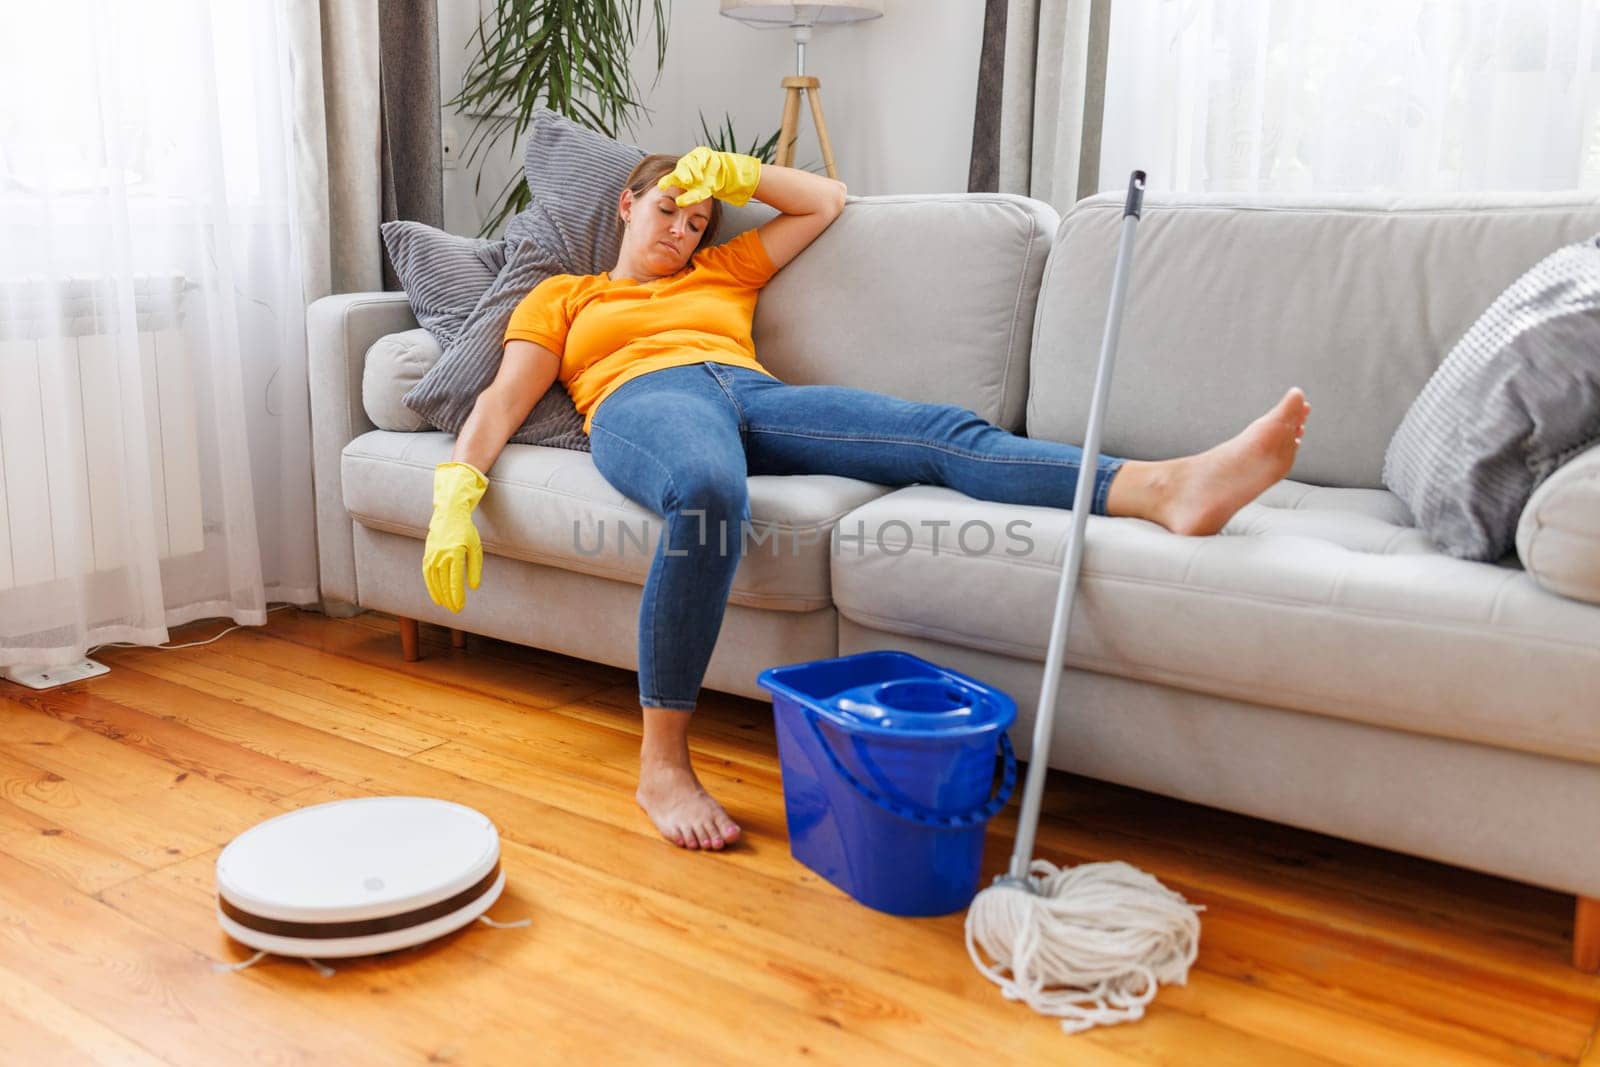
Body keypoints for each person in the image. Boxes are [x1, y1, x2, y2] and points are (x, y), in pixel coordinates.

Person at [422, 148, 1311, 853]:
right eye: (667, 211)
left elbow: (824, 200)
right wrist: (457, 492)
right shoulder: (565, 296)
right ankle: (663, 765)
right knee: (705, 491)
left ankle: (1158, 486)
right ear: (625, 204)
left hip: (753, 393)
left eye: (697, 219)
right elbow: (503, 401)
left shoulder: (722, 271)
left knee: (936, 432)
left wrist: (736, 170)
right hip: (644, 403)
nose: (683, 232)